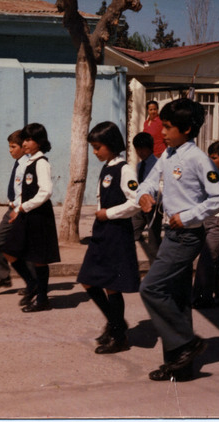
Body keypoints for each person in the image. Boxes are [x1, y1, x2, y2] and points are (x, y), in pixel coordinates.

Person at [136, 98, 219, 381]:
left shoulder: (198, 158)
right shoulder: (168, 154)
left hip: (186, 235)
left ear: (186, 129)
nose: (161, 132)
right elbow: (151, 180)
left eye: (167, 127)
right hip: (170, 234)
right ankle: (180, 366)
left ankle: (187, 343)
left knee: (150, 289)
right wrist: (144, 194)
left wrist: (189, 215)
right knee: (176, 299)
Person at [77, 122, 141, 354]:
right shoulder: (106, 167)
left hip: (116, 232)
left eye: (97, 147)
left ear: (111, 144)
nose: (95, 152)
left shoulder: (125, 169)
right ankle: (116, 323)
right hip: (102, 230)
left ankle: (119, 336)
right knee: (88, 279)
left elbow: (136, 202)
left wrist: (109, 213)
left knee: (112, 286)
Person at [2, 123, 61, 312]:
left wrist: (24, 207)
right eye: (24, 139)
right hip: (27, 213)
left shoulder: (41, 163)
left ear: (39, 142)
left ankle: (42, 298)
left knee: (39, 258)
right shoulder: (28, 161)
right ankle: (32, 283)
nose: (25, 143)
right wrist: (18, 208)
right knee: (9, 250)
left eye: (28, 139)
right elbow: (24, 190)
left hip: (39, 216)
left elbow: (46, 192)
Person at [0, 130, 35, 291]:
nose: (10, 150)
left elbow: (26, 191)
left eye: (13, 146)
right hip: (14, 208)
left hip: (18, 211)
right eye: (9, 146)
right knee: (21, 247)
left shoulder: (26, 165)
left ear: (23, 147)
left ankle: (7, 278)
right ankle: (27, 282)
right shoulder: (20, 163)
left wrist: (17, 207)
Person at [192, 141, 219, 308]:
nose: (210, 161)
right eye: (208, 158)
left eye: (214, 158)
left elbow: (204, 185)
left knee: (205, 261)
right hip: (207, 221)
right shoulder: (213, 172)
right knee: (214, 258)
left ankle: (201, 298)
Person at [131, 131, 162, 263]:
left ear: (150, 148)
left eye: (143, 149)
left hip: (153, 205)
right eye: (137, 149)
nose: (140, 152)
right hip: (140, 205)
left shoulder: (157, 164)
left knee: (153, 239)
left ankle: (157, 267)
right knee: (132, 231)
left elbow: (155, 184)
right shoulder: (139, 165)